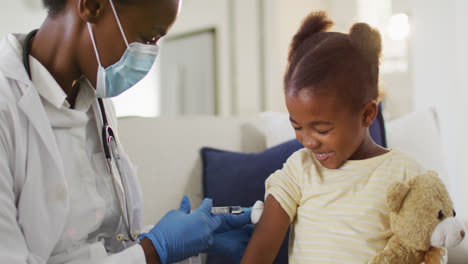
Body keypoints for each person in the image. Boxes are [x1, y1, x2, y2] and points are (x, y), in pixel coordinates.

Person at [0, 0, 252, 263]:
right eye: (146, 38)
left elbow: (109, 245)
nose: (149, 55)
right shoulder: (6, 109)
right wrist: (155, 251)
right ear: (92, 6)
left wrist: (194, 240)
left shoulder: (98, 104)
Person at [241, 11, 428, 263]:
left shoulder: (404, 172)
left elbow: (428, 245)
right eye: (297, 126)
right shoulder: (299, 171)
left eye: (322, 129)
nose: (308, 141)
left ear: (367, 114)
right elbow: (259, 253)